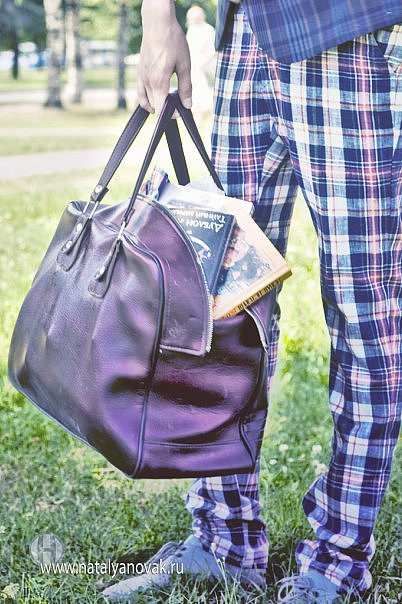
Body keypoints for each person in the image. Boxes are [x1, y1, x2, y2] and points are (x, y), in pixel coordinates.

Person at [103, 0, 402, 602]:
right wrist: (158, 19)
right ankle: (224, 540)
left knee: (364, 317)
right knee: (217, 298)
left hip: (354, 36)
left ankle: (339, 561)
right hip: (245, 36)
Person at [185, 5, 216, 118]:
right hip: (194, 65)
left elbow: (213, 50)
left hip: (206, 65)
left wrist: (203, 64)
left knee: (201, 85)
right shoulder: (192, 30)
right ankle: (196, 112)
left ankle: (204, 110)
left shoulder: (208, 29)